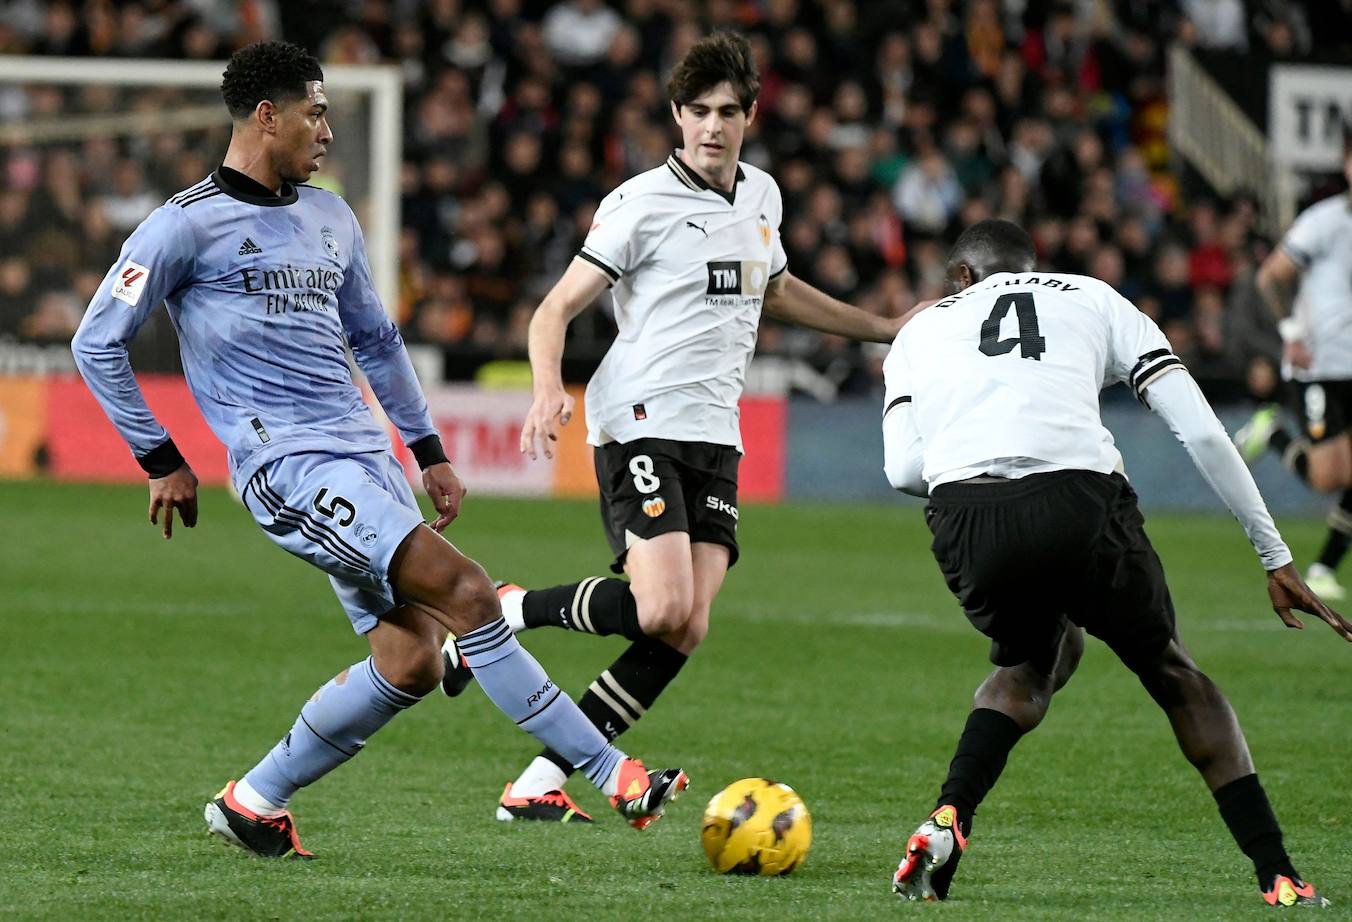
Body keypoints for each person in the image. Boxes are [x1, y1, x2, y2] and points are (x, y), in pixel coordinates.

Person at [70, 41, 686, 859]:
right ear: (268, 116)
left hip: (367, 460)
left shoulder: (330, 215)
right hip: (286, 466)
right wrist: (161, 459)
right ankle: (614, 775)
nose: (327, 129)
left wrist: (426, 448)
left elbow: (377, 338)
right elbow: (94, 342)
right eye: (315, 112)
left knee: (411, 662)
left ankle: (254, 802)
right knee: (469, 592)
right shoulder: (182, 225)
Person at [439, 30, 914, 822]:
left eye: (728, 111)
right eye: (697, 111)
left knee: (686, 626)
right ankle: (504, 609)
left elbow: (781, 291)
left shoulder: (762, 195)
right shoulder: (637, 204)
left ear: (751, 115)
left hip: (716, 435)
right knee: (658, 608)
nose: (712, 127)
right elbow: (554, 307)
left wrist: (885, 326)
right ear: (676, 114)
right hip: (641, 421)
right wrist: (547, 388)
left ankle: (538, 782)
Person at [881, 219, 1352, 906]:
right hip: (1078, 498)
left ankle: (950, 813)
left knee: (1028, 663)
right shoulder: (1091, 296)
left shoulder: (917, 332)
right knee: (1173, 671)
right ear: (1030, 263)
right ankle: (1278, 872)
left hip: (966, 515)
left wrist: (982, 454)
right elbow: (1198, 426)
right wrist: (1274, 552)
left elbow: (902, 469)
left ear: (961, 277)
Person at [1233, 129, 1352, 600]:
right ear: (1349, 166)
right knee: (1329, 478)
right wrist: (1291, 335)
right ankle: (1272, 434)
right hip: (1320, 368)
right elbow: (1270, 276)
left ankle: (1323, 569)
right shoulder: (1325, 221)